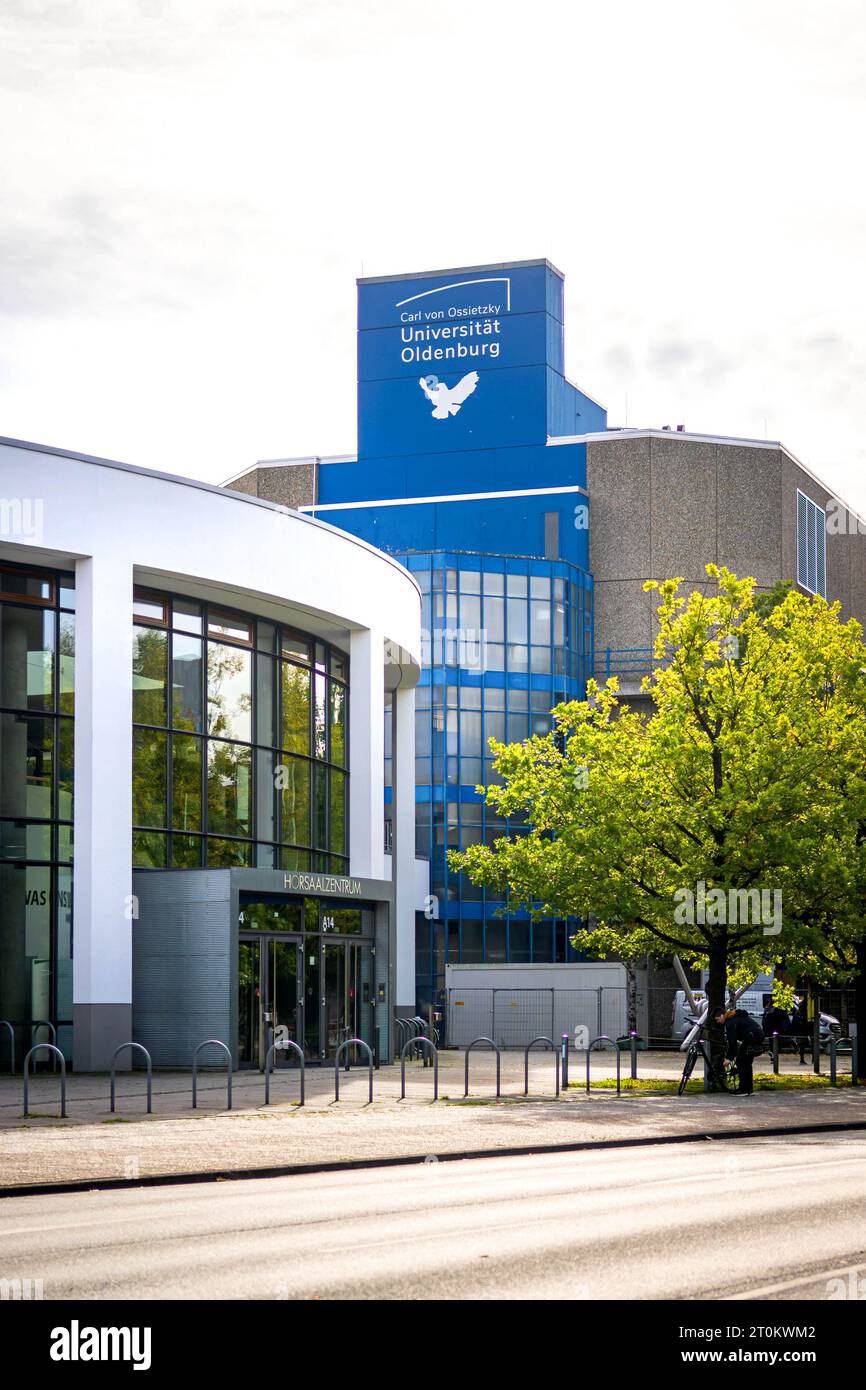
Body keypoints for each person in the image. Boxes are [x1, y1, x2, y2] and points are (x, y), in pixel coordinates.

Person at [714, 1006, 765, 1095]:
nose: (717, 1022)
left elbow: (732, 1042)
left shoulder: (730, 1022)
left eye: (717, 1019)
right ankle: (749, 1089)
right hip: (757, 1034)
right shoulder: (734, 1016)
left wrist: (729, 1058)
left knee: (741, 1061)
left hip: (751, 1037)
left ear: (722, 1015)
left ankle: (743, 1089)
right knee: (747, 1063)